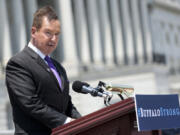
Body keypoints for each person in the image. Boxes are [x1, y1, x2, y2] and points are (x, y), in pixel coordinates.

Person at [5, 6, 81, 135]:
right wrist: (66, 122)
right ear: (34, 32)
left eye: (57, 34)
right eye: (48, 33)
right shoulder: (18, 63)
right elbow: (31, 104)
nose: (53, 39)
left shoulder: (58, 66)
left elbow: (66, 103)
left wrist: (83, 121)